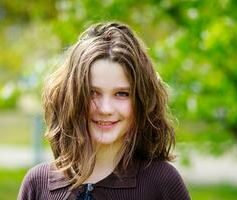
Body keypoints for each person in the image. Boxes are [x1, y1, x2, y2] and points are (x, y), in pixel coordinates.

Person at [18, 22, 191, 200]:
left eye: (122, 94)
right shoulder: (36, 184)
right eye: (93, 93)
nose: (106, 109)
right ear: (71, 97)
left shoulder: (161, 182)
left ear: (141, 101)